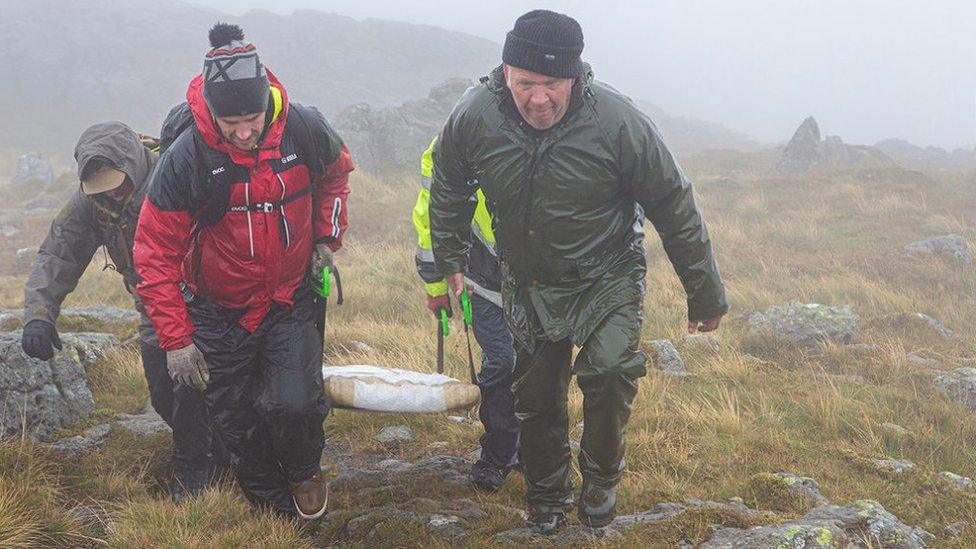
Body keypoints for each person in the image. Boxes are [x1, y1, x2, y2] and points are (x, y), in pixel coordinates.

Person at [429, 10, 728, 533]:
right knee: (537, 399)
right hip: (526, 280)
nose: (538, 98)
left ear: (575, 75)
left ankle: (601, 480)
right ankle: (546, 501)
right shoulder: (475, 115)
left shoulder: (617, 121)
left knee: (610, 372)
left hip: (606, 276)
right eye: (525, 83)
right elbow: (450, 183)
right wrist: (449, 257)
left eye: (552, 83)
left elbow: (673, 204)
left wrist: (704, 294)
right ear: (505, 73)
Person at [133, 23, 353, 519]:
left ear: (268, 102)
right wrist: (176, 338)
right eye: (230, 121)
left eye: (251, 118)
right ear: (211, 110)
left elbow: (338, 172)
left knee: (293, 403)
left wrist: (325, 238)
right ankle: (272, 506)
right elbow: (153, 251)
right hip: (216, 309)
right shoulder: (187, 156)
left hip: (289, 300)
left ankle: (302, 472)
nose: (243, 131)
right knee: (234, 418)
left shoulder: (304, 127)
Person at [22, 121, 220, 501]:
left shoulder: (176, 173)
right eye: (102, 190)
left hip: (207, 300)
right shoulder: (90, 203)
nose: (113, 195)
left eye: (118, 185)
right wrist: (39, 315)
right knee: (163, 396)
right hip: (151, 303)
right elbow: (59, 252)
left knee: (192, 389)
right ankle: (220, 454)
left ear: (133, 164)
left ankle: (194, 473)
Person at [412, 137, 519, 492]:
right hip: (482, 284)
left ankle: (539, 452)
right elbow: (431, 215)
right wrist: (435, 287)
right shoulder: (456, 141)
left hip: (541, 286)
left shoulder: (551, 126)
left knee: (537, 368)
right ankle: (499, 455)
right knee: (502, 362)